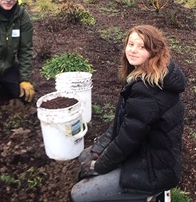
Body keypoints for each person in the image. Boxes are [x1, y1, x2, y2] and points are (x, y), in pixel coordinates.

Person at [71, 25, 186, 202]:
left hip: (152, 170)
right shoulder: (146, 75)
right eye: (131, 44)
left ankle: (150, 196)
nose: (133, 50)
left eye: (142, 47)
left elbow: (127, 140)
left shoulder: (147, 91)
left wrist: (99, 166)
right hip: (145, 151)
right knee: (84, 157)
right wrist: (97, 150)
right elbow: (124, 123)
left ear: (154, 51)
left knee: (79, 194)